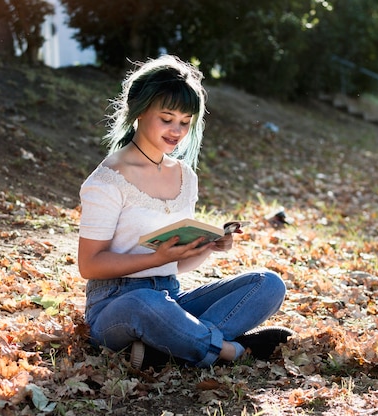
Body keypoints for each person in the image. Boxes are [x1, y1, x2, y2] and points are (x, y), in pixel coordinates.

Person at [78, 54, 292, 369]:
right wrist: (155, 259)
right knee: (145, 303)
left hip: (170, 300)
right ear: (139, 111)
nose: (177, 131)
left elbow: (176, 263)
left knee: (268, 284)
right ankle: (232, 352)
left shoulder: (184, 176)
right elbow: (89, 265)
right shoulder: (109, 179)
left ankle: (165, 348)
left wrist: (207, 246)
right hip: (116, 307)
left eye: (185, 121)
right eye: (167, 118)